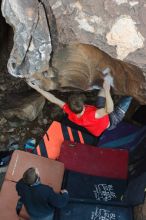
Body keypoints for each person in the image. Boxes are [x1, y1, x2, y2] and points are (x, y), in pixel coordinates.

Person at [27, 80, 132, 137]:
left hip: (99, 114)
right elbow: (109, 110)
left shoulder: (70, 111)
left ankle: (108, 81)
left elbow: (53, 99)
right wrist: (107, 90)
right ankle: (120, 90)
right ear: (83, 106)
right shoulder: (92, 114)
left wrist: (37, 87)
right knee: (129, 96)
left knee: (102, 89)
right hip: (111, 120)